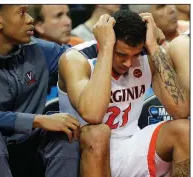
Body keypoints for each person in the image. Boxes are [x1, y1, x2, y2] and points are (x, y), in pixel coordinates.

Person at [58, 10, 190, 177]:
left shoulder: (147, 56)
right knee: (98, 133)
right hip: (81, 152)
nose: (128, 63)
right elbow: (93, 115)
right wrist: (105, 49)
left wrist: (153, 46)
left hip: (129, 146)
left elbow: (181, 111)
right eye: (121, 54)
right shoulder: (76, 59)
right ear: (107, 41)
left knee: (185, 130)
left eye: (134, 55)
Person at [0, 5, 80, 177]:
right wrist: (36, 120)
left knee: (65, 133)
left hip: (28, 146)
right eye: (21, 13)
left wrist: (110, 40)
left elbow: (83, 54)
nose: (30, 19)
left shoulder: (39, 50)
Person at [29, 5, 84, 100]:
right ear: (39, 26)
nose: (68, 22)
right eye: (58, 16)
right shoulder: (28, 59)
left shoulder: (79, 44)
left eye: (68, 14)